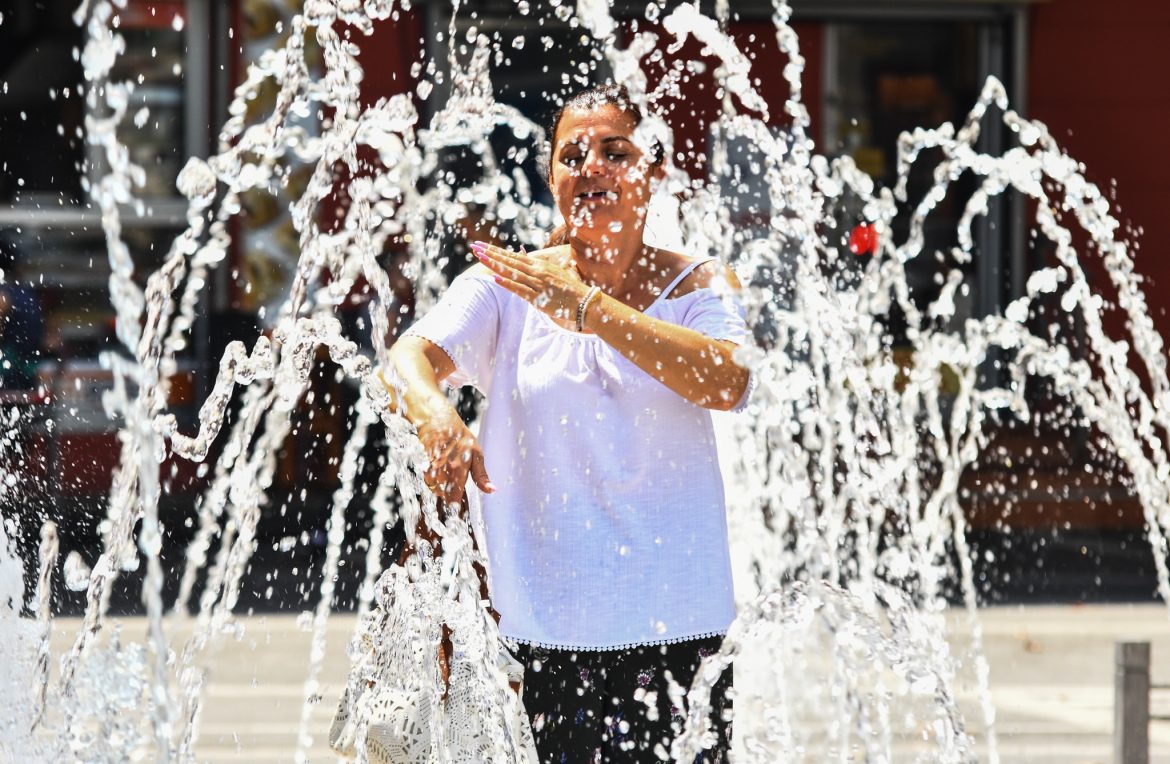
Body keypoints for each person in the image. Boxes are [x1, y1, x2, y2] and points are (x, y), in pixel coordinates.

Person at [384, 84, 751, 762]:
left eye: (617, 151)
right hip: (542, 636)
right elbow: (408, 358)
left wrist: (587, 306)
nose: (593, 167)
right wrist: (437, 415)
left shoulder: (699, 284)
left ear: (654, 171)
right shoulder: (509, 284)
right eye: (573, 155)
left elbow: (728, 381)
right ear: (552, 177)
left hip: (681, 633)